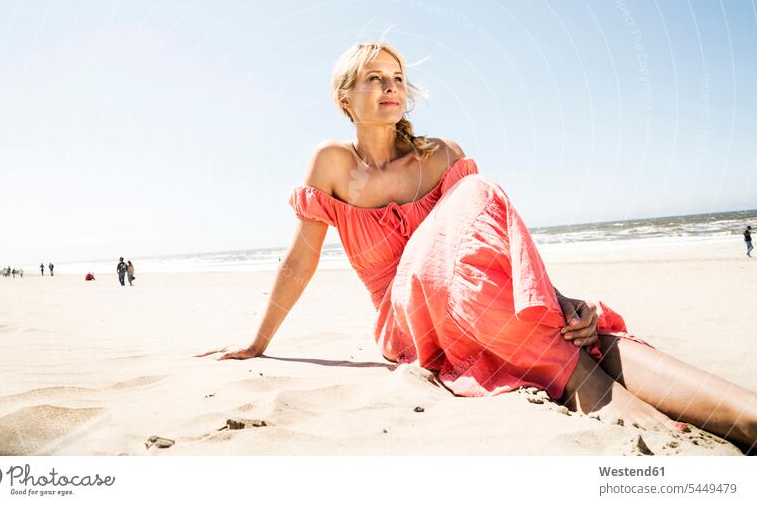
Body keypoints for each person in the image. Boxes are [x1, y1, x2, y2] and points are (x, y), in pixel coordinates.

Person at [195, 42, 757, 452]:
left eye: (396, 77)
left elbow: (486, 246)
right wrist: (256, 342)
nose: (391, 86)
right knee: (480, 195)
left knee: (576, 328)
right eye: (373, 78)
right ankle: (606, 397)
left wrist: (560, 300)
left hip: (480, 307)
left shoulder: (441, 155)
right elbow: (301, 260)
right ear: (345, 96)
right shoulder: (332, 163)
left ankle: (746, 417)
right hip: (409, 325)